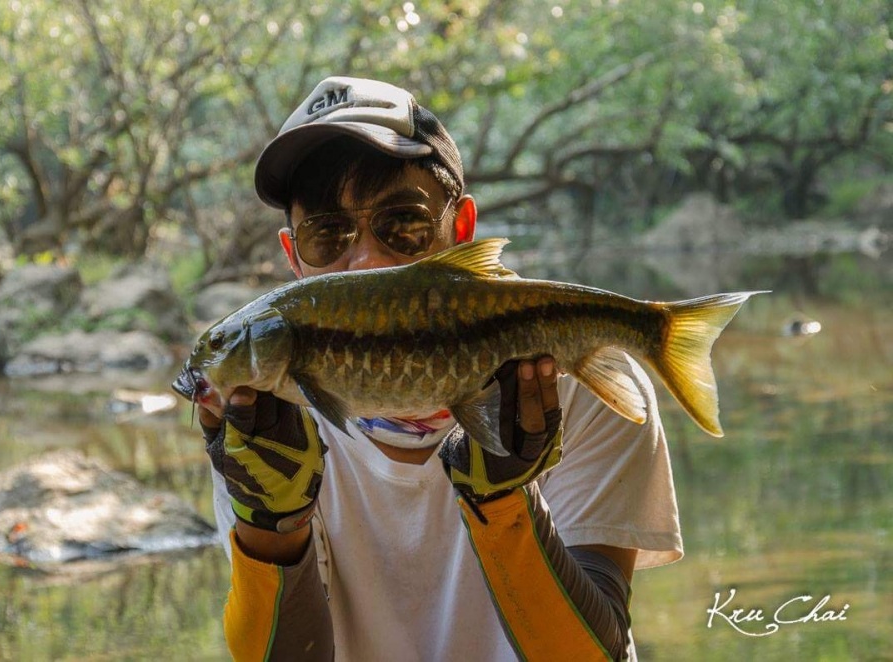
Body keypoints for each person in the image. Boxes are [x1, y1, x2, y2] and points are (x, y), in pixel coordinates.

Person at [197, 76, 682, 661]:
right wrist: (271, 527)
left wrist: (505, 502)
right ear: (293, 256)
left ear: (462, 228)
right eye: (328, 234)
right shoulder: (269, 426)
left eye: (404, 225)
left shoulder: (582, 384)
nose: (368, 261)